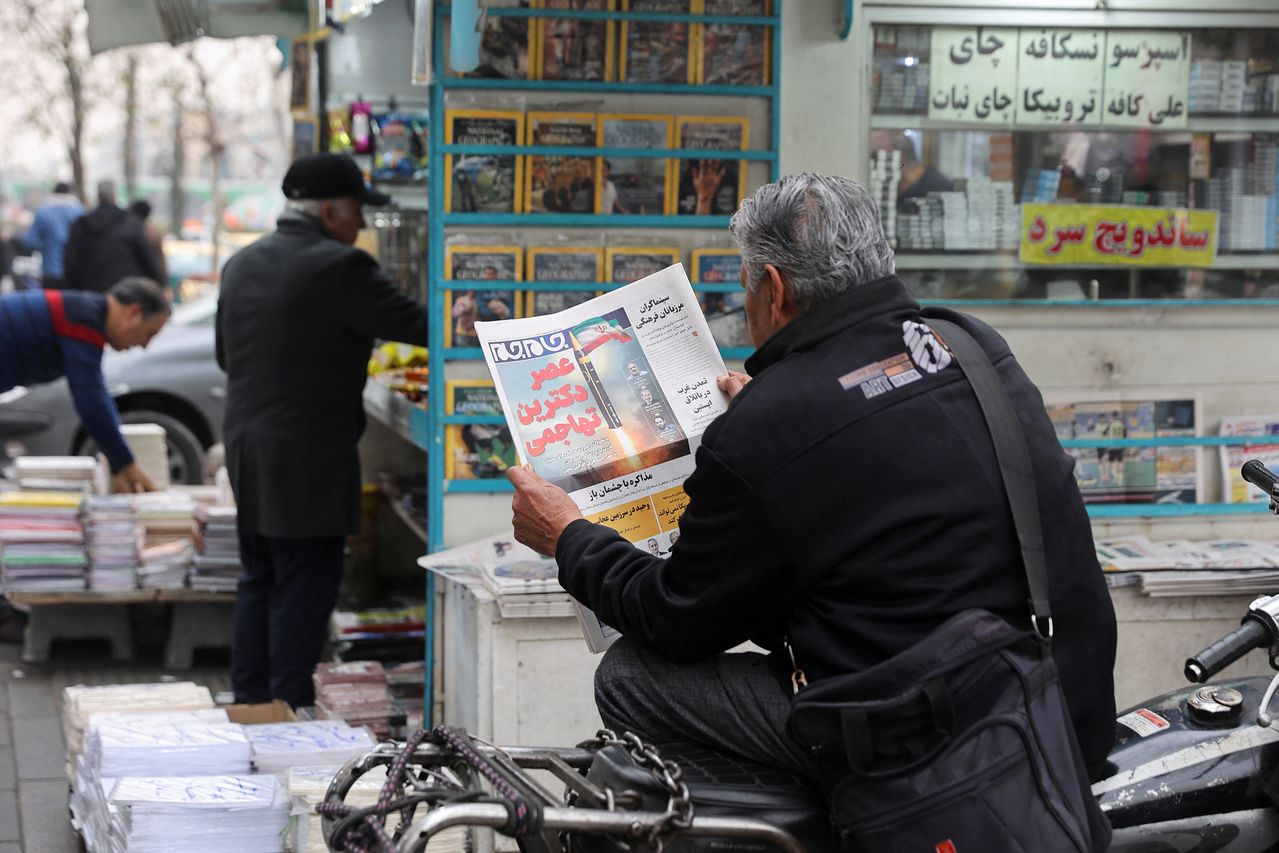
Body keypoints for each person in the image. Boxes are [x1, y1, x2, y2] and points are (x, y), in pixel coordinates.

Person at [506, 174, 1118, 797]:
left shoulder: (775, 424)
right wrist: (775, 422)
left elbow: (674, 620)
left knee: (631, 677)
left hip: (935, 743)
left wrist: (567, 537)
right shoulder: (969, 342)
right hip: (1063, 707)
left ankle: (832, 827)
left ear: (774, 289)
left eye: (746, 285)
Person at [216, 153, 429, 709]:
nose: (362, 225)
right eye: (357, 210)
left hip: (248, 449)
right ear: (331, 210)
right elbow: (423, 326)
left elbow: (225, 356)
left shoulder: (240, 264)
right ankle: (288, 712)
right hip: (307, 456)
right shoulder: (339, 267)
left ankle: (249, 705)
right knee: (304, 585)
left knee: (259, 577)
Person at [0, 277, 169, 493]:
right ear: (133, 312)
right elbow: (91, 402)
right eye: (149, 333)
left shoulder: (85, 311)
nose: (145, 345)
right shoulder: (82, 319)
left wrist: (120, 461)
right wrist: (125, 464)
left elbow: (98, 393)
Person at [63, 181, 164, 293]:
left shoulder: (81, 224)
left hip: (90, 292)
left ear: (98, 196)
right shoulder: (131, 223)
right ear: (114, 196)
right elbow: (147, 259)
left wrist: (74, 287)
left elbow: (71, 261)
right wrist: (160, 284)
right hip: (125, 293)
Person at [26, 181, 84, 290]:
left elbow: (30, 241)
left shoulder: (43, 212)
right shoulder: (80, 211)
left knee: (51, 305)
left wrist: (44, 247)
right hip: (75, 271)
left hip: (50, 271)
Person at [128, 200, 168, 289]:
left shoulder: (129, 232)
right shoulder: (153, 233)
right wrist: (163, 282)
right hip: (149, 283)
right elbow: (159, 261)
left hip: (133, 282)